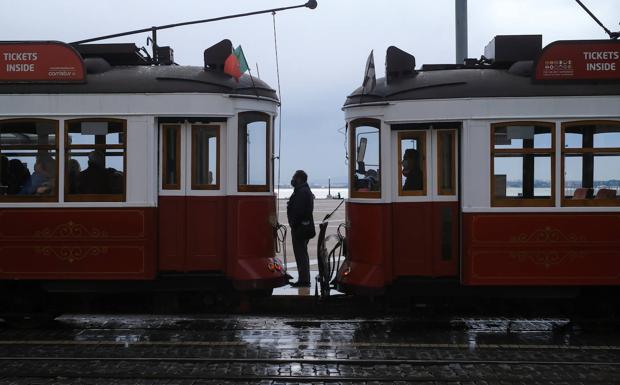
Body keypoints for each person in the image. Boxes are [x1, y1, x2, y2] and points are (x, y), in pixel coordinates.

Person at [286, 170, 315, 287]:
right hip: (302, 227)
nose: (292, 180)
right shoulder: (303, 191)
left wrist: (294, 224)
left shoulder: (302, 192)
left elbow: (299, 211)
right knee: (302, 253)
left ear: (299, 179)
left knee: (301, 254)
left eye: (294, 177)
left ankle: (303, 280)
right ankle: (304, 279)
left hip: (300, 228)